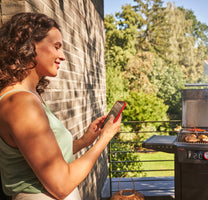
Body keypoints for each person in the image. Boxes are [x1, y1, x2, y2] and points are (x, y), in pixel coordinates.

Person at [0, 12, 121, 200]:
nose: (62, 56)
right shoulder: (21, 104)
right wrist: (104, 139)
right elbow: (61, 185)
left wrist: (85, 141)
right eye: (57, 47)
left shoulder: (29, 96)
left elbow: (44, 156)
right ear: (29, 45)